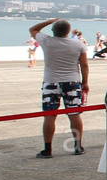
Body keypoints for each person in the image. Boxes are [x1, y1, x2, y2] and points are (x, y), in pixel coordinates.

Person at [28, 18, 89, 158]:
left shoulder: (47, 41)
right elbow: (84, 65)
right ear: (68, 31)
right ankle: (78, 147)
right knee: (74, 115)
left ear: (53, 30)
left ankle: (47, 149)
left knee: (49, 115)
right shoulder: (78, 44)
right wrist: (85, 82)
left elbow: (33, 29)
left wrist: (50, 21)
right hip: (72, 82)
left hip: (51, 82)